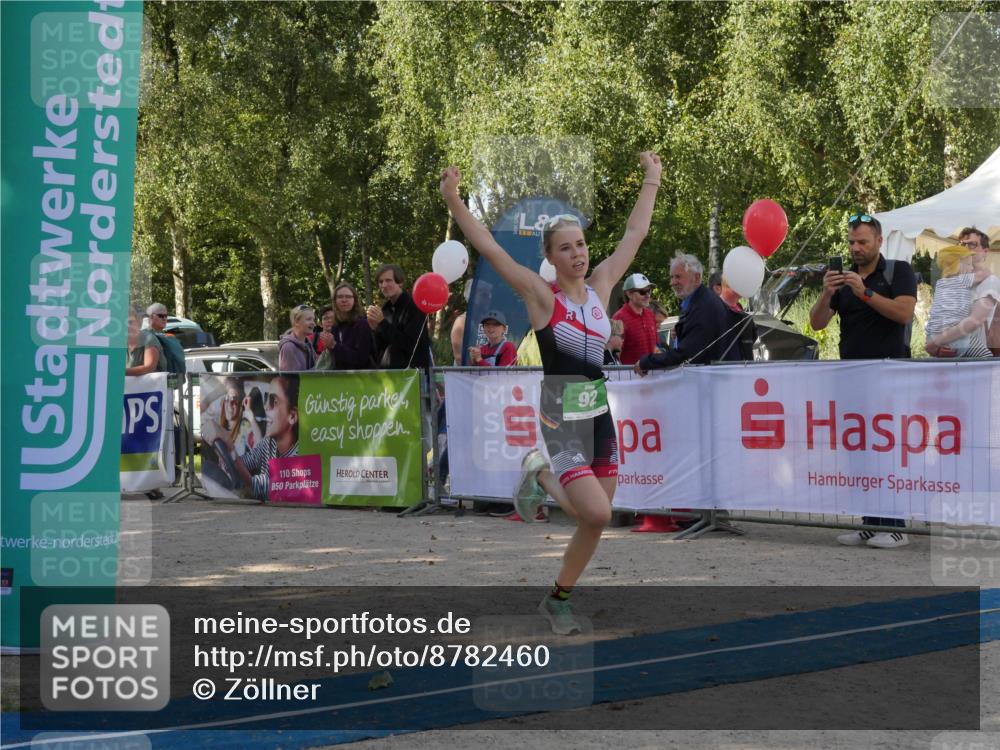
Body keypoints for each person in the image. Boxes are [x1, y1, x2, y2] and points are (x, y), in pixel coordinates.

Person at [440, 150, 662, 635]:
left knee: (595, 520)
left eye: (581, 244)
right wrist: (454, 201)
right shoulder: (543, 299)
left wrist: (652, 178)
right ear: (550, 258)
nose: (578, 254)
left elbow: (634, 234)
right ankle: (539, 474)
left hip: (598, 409)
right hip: (560, 413)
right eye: (566, 248)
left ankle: (557, 599)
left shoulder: (603, 285)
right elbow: (492, 252)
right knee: (598, 510)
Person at [809, 213, 917, 549]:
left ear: (879, 242)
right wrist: (828, 293)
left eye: (862, 242)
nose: (855, 248)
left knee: (888, 451)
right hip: (851, 377)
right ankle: (870, 522)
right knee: (858, 451)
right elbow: (816, 323)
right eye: (851, 242)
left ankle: (896, 525)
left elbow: (903, 313)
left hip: (889, 377)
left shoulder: (898, 271)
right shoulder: (844, 279)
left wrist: (866, 293)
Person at [634, 254, 741, 374]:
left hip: (713, 382)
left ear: (696, 278)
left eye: (678, 277)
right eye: (672, 277)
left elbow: (686, 354)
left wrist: (646, 362)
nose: (673, 282)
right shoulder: (700, 301)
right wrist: (681, 331)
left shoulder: (703, 305)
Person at [216, 375, 300, 501]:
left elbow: (258, 485)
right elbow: (249, 460)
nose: (266, 407)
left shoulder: (299, 455)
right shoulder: (269, 443)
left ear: (292, 416)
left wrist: (230, 452)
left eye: (274, 401)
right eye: (266, 399)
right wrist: (226, 461)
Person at [929, 227, 999, 357]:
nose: (966, 248)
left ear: (985, 252)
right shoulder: (952, 280)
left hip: (970, 352)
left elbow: (975, 321)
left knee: (986, 360)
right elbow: (938, 314)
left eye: (972, 244)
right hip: (949, 352)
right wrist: (938, 346)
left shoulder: (990, 281)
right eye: (962, 244)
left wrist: (936, 341)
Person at [367, 264, 432, 369]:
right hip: (389, 376)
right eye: (381, 282)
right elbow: (380, 349)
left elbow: (409, 344)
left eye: (388, 280)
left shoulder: (414, 306)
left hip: (412, 375)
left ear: (400, 282)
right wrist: (374, 330)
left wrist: (383, 323)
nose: (384, 285)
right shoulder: (385, 309)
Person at [319, 283, 375, 370]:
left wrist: (334, 345)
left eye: (348, 296)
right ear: (335, 301)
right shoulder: (335, 326)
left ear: (354, 300)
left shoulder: (362, 324)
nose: (344, 300)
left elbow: (362, 359)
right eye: (340, 297)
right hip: (340, 378)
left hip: (361, 379)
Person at [612, 273, 658, 365]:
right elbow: (615, 356)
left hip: (652, 375)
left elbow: (654, 348)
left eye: (649, 291)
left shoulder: (650, 314)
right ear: (629, 294)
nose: (647, 295)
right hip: (631, 377)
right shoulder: (618, 318)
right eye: (642, 292)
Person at [126, 305, 165, 376]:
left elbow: (149, 368)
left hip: (154, 386)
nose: (127, 326)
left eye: (130, 322)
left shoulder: (149, 339)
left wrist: (119, 372)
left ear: (138, 323)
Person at [279, 305, 317, 372]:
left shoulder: (308, 344)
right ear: (296, 322)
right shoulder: (288, 347)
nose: (314, 323)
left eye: (313, 319)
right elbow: (292, 379)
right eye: (309, 319)